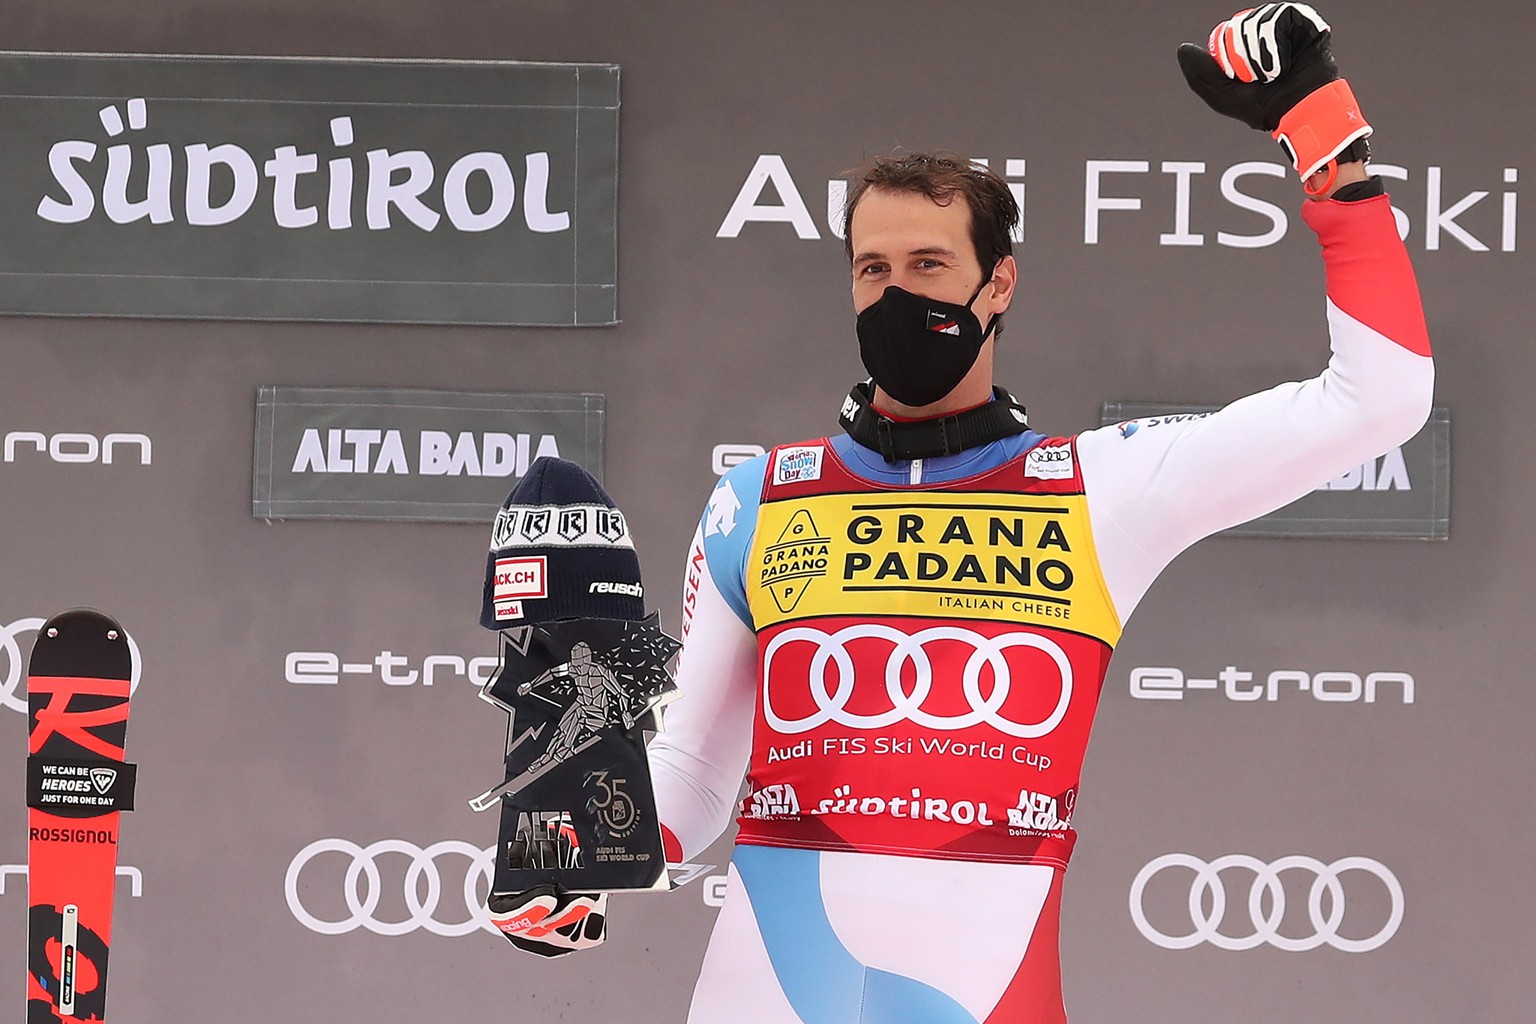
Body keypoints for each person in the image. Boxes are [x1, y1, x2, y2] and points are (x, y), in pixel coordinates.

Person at [503, 5, 1435, 1021]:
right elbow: (692, 769)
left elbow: (1380, 401)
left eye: (930, 268)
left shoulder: (1101, 490)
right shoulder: (759, 498)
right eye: (874, 270)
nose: (898, 295)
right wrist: (578, 852)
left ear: (1000, 285)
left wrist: (1322, 130)